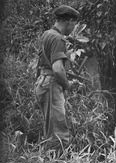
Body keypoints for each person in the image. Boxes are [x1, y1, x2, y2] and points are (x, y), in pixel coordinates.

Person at [35, 5, 80, 152]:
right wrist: (67, 85)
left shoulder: (47, 34)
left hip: (43, 81)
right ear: (69, 21)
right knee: (58, 131)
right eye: (74, 24)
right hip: (51, 84)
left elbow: (42, 64)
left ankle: (49, 161)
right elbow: (57, 69)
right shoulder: (58, 38)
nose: (73, 28)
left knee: (50, 128)